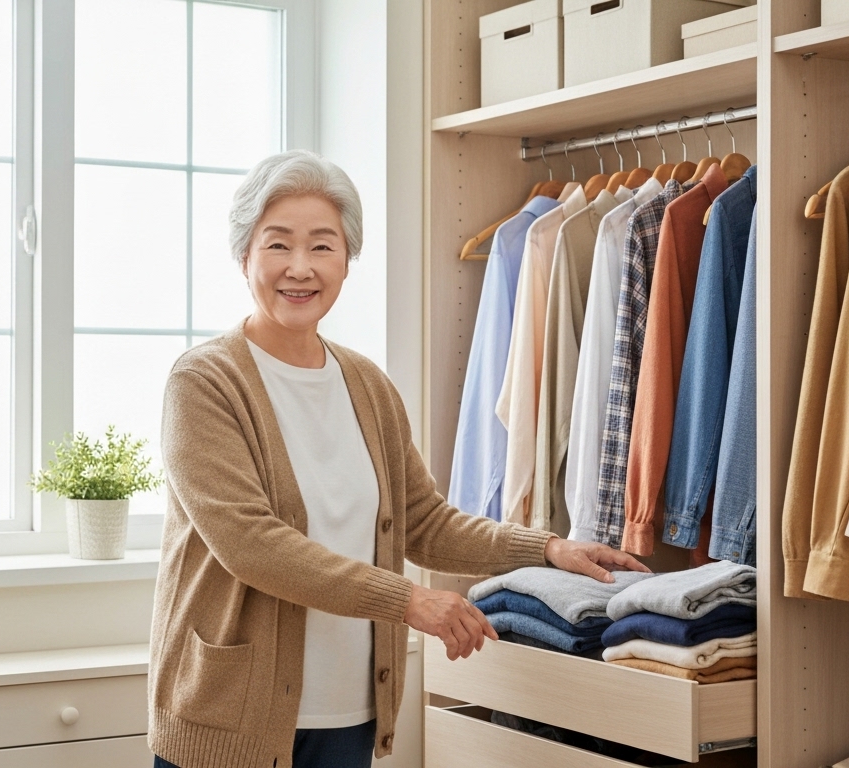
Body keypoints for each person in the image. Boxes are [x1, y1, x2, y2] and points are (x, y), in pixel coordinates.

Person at [148, 150, 648, 768]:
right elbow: (251, 543)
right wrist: (408, 601)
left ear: (347, 260)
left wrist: (547, 548)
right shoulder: (204, 383)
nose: (300, 268)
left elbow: (423, 522)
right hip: (232, 718)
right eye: (278, 245)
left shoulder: (366, 385)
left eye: (323, 247)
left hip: (347, 713)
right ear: (243, 256)